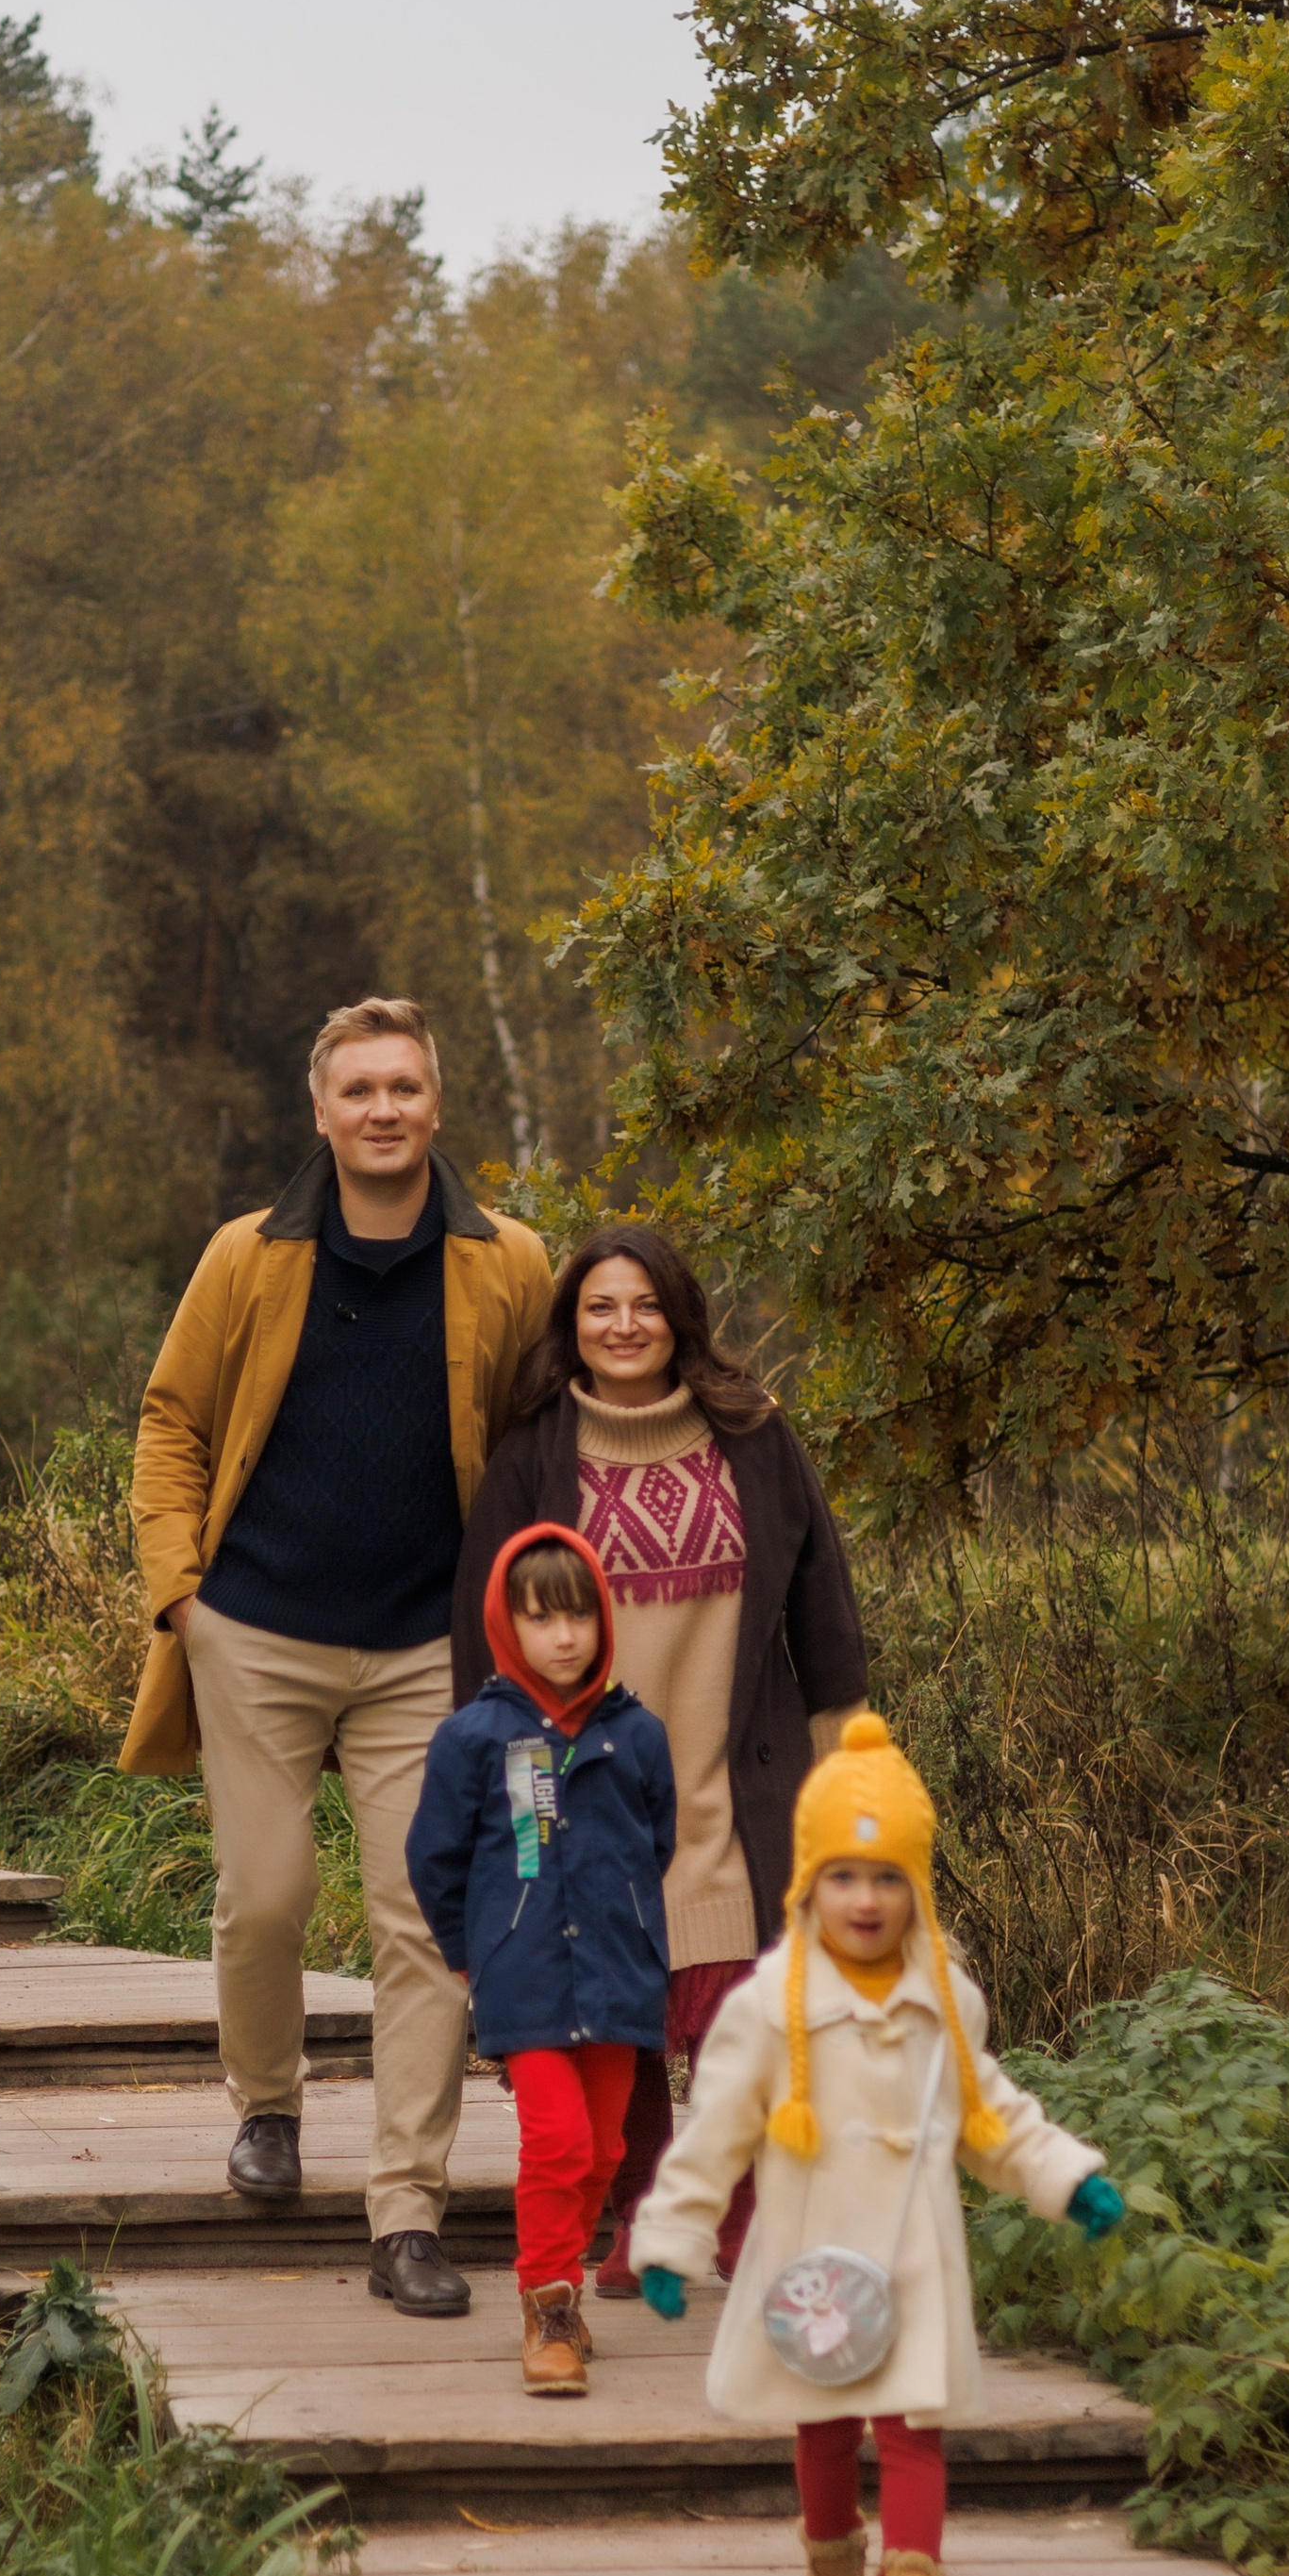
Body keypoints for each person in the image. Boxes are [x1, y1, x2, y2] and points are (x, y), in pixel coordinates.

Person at [119, 998, 553, 2318]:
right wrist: (182, 1597)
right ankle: (266, 2107)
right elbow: (170, 1423)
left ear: (435, 1106)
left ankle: (407, 2213)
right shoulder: (248, 1257)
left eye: (404, 1088)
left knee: (421, 1921)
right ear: (320, 1111)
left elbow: (539, 1446)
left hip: (430, 1649)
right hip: (253, 1635)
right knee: (262, 1898)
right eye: (358, 1089)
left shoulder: (509, 1262)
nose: (383, 1110)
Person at [630, 1716, 1124, 2576]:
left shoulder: (944, 1999)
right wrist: (672, 2237)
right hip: (811, 2260)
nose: (866, 1899)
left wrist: (1065, 2174)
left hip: (909, 2255)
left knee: (910, 2424)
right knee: (820, 2427)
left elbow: (991, 2116)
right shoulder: (768, 2005)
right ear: (809, 1883)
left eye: (889, 1878)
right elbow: (715, 2131)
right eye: (846, 1878)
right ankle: (829, 2573)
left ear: (918, 1888)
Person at [454, 1224, 868, 2300]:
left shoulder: (755, 1435)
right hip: (584, 1784)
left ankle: (731, 2213)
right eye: (599, 1307)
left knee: (737, 2010)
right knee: (614, 2015)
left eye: (643, 1305)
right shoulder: (533, 1454)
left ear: (679, 1317)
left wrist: (849, 1756)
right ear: (572, 1325)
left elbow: (822, 1599)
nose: (623, 1325)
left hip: (737, 1774)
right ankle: (637, 2213)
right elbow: (480, 1624)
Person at [407, 1526, 677, 2394]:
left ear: (603, 1620)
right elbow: (434, 1858)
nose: (564, 1637)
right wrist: (468, 1950)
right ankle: (547, 2306)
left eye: (580, 1616)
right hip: (523, 1974)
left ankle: (564, 2276)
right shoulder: (475, 1739)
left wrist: (627, 1921)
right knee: (556, 2140)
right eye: (541, 1619)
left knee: (602, 2147)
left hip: (615, 1975)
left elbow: (659, 1840)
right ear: (505, 1624)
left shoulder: (637, 1736)